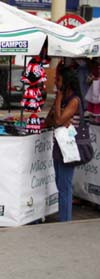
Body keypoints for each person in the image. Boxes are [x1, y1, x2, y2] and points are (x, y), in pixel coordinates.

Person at [49, 66, 82, 222]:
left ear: (66, 82)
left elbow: (58, 120)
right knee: (59, 183)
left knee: (65, 186)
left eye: (58, 79)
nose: (56, 81)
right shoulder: (62, 99)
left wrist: (59, 98)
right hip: (58, 146)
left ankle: (65, 221)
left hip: (68, 148)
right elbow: (51, 119)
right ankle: (64, 217)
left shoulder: (74, 100)